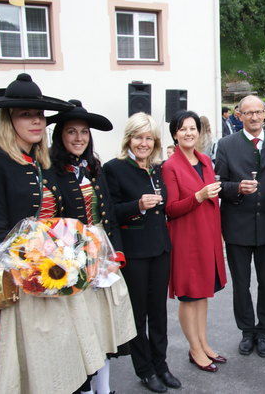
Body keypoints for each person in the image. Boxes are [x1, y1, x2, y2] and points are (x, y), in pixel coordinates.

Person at [0, 73, 120, 394]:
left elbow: (64, 220)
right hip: (19, 281)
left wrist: (84, 255)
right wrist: (41, 266)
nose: (36, 121)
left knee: (68, 368)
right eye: (26, 114)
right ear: (9, 120)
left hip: (58, 277)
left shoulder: (44, 162)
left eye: (38, 114)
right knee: (32, 373)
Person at [47, 100, 138, 394]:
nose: (79, 138)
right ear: (60, 135)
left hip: (102, 253)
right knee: (81, 330)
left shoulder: (94, 168)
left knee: (103, 328)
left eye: (84, 132)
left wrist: (116, 255)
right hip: (71, 259)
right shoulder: (51, 172)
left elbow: (109, 213)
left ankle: (104, 388)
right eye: (71, 131)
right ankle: (84, 389)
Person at [103, 113, 179, 393]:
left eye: (148, 138)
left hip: (160, 248)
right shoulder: (114, 168)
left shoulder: (159, 168)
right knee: (139, 314)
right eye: (138, 137)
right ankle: (145, 370)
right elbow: (109, 212)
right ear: (129, 140)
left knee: (159, 313)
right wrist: (137, 205)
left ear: (155, 142)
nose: (143, 143)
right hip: (134, 252)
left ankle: (161, 364)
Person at [215, 95, 265, 358]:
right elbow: (219, 185)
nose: (254, 117)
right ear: (239, 115)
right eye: (248, 113)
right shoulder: (226, 144)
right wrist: (237, 188)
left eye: (258, 112)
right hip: (237, 226)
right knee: (241, 284)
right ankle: (247, 331)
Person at [162, 111, 228, 373]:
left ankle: (203, 342)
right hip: (187, 240)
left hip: (207, 236)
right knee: (189, 297)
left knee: (203, 296)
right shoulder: (171, 166)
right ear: (175, 134)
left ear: (199, 132)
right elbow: (171, 209)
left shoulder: (204, 160)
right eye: (183, 129)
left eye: (193, 128)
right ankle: (194, 348)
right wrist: (198, 196)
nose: (189, 133)